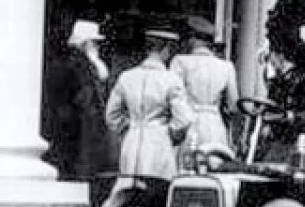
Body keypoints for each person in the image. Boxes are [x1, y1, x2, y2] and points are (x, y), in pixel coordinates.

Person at [105, 29, 193, 180]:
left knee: (128, 192)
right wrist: (170, 134)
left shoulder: (126, 77)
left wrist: (128, 127)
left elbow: (111, 116)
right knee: (156, 192)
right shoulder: (171, 80)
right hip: (158, 143)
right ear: (166, 49)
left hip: (131, 142)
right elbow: (184, 119)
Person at [44, 20, 114, 180]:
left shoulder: (79, 63)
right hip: (79, 129)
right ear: (87, 43)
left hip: (78, 128)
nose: (98, 47)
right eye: (95, 43)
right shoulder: (79, 65)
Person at [170, 16, 239, 157]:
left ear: (193, 39)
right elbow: (233, 106)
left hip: (188, 126)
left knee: (186, 172)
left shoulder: (180, 62)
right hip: (216, 127)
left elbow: (172, 98)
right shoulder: (226, 67)